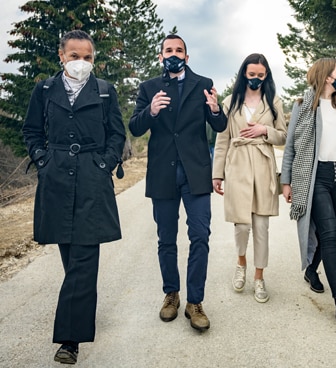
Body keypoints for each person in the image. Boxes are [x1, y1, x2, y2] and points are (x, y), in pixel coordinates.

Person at [21, 30, 125, 364]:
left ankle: (69, 340)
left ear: (94, 59)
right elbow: (32, 130)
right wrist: (42, 159)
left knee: (83, 258)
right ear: (61, 56)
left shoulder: (105, 91)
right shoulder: (46, 89)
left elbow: (117, 133)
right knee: (70, 254)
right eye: (75, 56)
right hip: (56, 178)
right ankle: (82, 312)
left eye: (88, 57)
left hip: (93, 178)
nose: (81, 62)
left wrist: (105, 164)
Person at [129, 34, 227, 332]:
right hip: (163, 173)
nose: (174, 54)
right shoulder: (149, 88)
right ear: (161, 56)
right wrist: (151, 111)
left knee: (200, 236)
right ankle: (171, 294)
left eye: (179, 50)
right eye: (168, 50)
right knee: (166, 239)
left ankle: (195, 302)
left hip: (195, 172)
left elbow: (220, 126)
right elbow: (135, 127)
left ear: (187, 55)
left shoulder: (203, 83)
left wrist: (214, 109)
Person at [281, 58, 336, 323]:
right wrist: (287, 182)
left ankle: (312, 269)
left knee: (328, 231)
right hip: (315, 176)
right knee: (330, 234)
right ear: (326, 76)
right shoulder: (303, 106)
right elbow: (290, 147)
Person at [212, 53, 287, 303]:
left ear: (266, 76)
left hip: (263, 165)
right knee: (242, 225)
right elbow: (222, 140)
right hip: (238, 166)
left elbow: (284, 136)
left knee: (261, 227)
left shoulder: (273, 101)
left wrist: (265, 130)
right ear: (244, 72)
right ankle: (241, 263)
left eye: (261, 75)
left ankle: (259, 277)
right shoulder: (230, 102)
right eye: (252, 74)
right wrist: (217, 174)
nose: (256, 79)